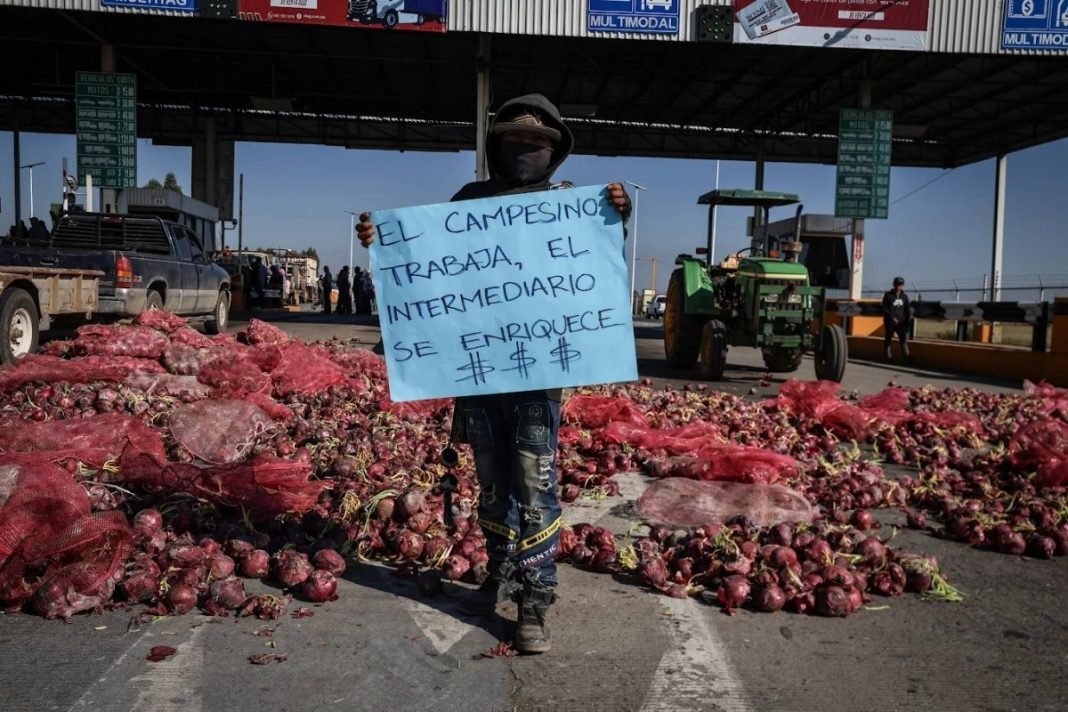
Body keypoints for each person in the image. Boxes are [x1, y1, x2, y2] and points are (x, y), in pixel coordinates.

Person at [356, 94, 631, 654]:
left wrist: (615, 215)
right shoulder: (471, 200)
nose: (526, 153)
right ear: (495, 147)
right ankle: (499, 571)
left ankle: (535, 598)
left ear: (555, 153)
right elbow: (429, 268)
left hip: (536, 380)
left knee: (535, 484)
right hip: (479, 378)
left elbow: (593, 263)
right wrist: (381, 241)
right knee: (491, 486)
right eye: (515, 143)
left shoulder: (567, 205)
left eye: (539, 145)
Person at [882, 276, 912, 363]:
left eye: (900, 285)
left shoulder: (904, 297)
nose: (898, 286)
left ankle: (907, 358)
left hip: (901, 323)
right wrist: (892, 317)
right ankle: (888, 358)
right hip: (890, 322)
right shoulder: (888, 295)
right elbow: (885, 308)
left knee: (903, 340)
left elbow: (907, 310)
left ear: (903, 285)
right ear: (894, 285)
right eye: (896, 284)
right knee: (888, 340)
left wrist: (907, 321)